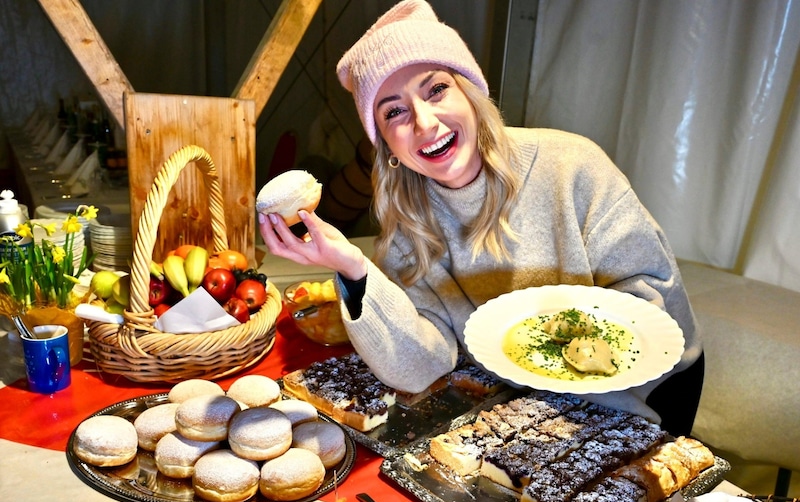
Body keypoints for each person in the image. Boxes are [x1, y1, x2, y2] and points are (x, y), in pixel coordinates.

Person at [259, 0, 704, 436]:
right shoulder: (405, 226)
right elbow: (420, 368)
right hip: (528, 404)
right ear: (385, 146)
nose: (425, 122)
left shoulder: (571, 166)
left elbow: (651, 298)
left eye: (436, 90)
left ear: (471, 92)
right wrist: (352, 268)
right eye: (394, 111)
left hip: (649, 392)